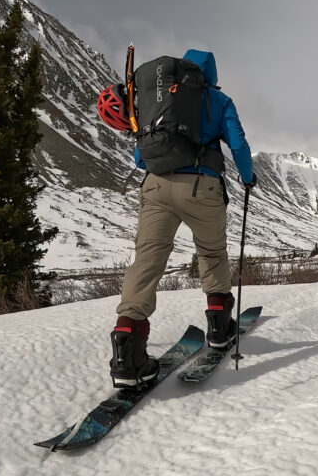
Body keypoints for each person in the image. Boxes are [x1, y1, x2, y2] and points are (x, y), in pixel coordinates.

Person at [97, 49, 256, 388]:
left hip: (155, 187)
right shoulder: (218, 99)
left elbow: (142, 155)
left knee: (147, 261)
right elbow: (239, 146)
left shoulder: (156, 98)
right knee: (211, 253)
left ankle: (128, 354)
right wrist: (247, 177)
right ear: (209, 74)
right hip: (202, 186)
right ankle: (218, 329)